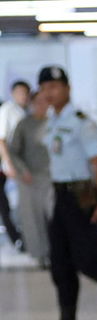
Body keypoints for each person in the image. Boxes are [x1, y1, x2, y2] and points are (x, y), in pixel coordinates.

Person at [35, 65, 97, 320]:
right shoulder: (51, 121)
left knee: (89, 261)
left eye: (55, 87)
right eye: (45, 88)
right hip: (60, 197)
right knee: (60, 264)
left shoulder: (82, 122)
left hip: (82, 195)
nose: (49, 93)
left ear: (67, 88)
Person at [6, 88, 52, 268]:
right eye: (37, 102)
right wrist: (22, 170)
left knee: (53, 218)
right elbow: (13, 151)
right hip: (29, 179)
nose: (41, 105)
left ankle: (55, 253)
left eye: (44, 101)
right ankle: (40, 256)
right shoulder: (24, 124)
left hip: (51, 179)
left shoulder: (54, 123)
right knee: (34, 220)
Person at [0, 79, 28, 252]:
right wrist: (7, 164)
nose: (23, 96)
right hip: (8, 166)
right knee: (5, 204)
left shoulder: (24, 111)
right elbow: (1, 139)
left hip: (22, 164)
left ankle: (22, 238)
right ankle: (17, 238)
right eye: (20, 93)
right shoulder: (8, 111)